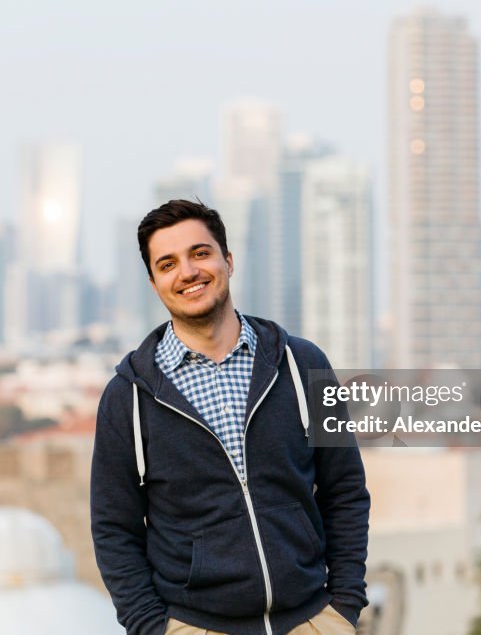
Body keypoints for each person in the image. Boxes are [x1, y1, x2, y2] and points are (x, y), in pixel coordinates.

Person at [91, 200, 369, 635]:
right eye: (168, 264)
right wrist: (153, 628)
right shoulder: (127, 398)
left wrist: (344, 605)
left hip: (313, 620)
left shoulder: (302, 363)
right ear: (154, 282)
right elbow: (114, 529)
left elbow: (346, 489)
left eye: (200, 253)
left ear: (228, 260)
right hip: (195, 626)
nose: (187, 272)